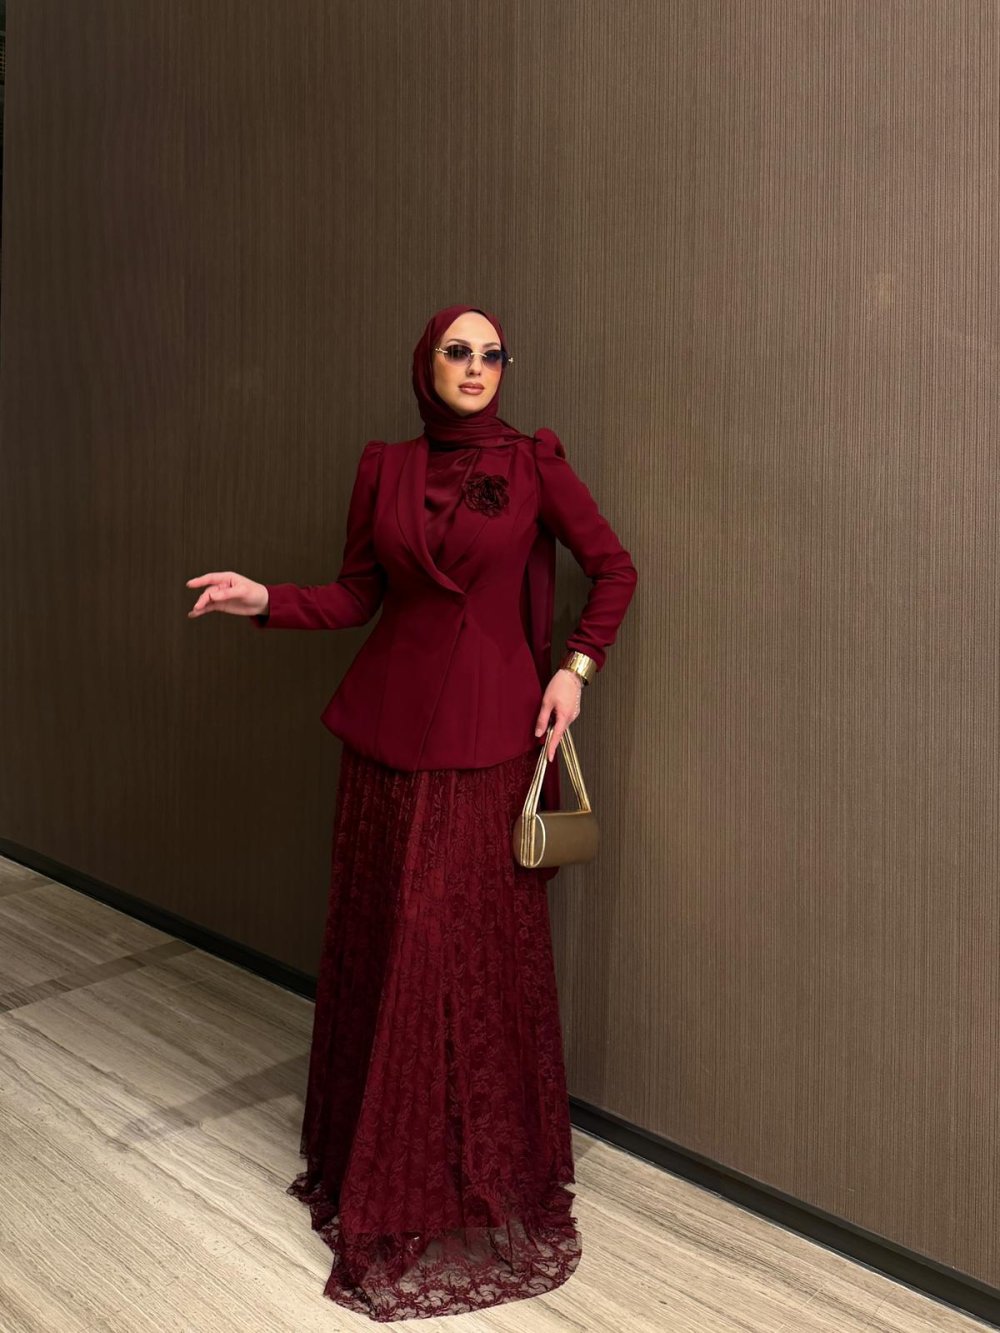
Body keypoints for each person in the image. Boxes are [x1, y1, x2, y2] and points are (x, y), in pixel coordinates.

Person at [185, 304, 638, 1320]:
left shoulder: (533, 462)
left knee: (453, 951)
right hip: (386, 738)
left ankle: (462, 1172)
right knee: (389, 943)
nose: (476, 367)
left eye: (491, 355)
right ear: (425, 363)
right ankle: (386, 1169)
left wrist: (574, 668)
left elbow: (614, 568)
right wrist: (265, 599)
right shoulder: (383, 467)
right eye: (456, 352)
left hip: (487, 738)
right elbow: (358, 596)